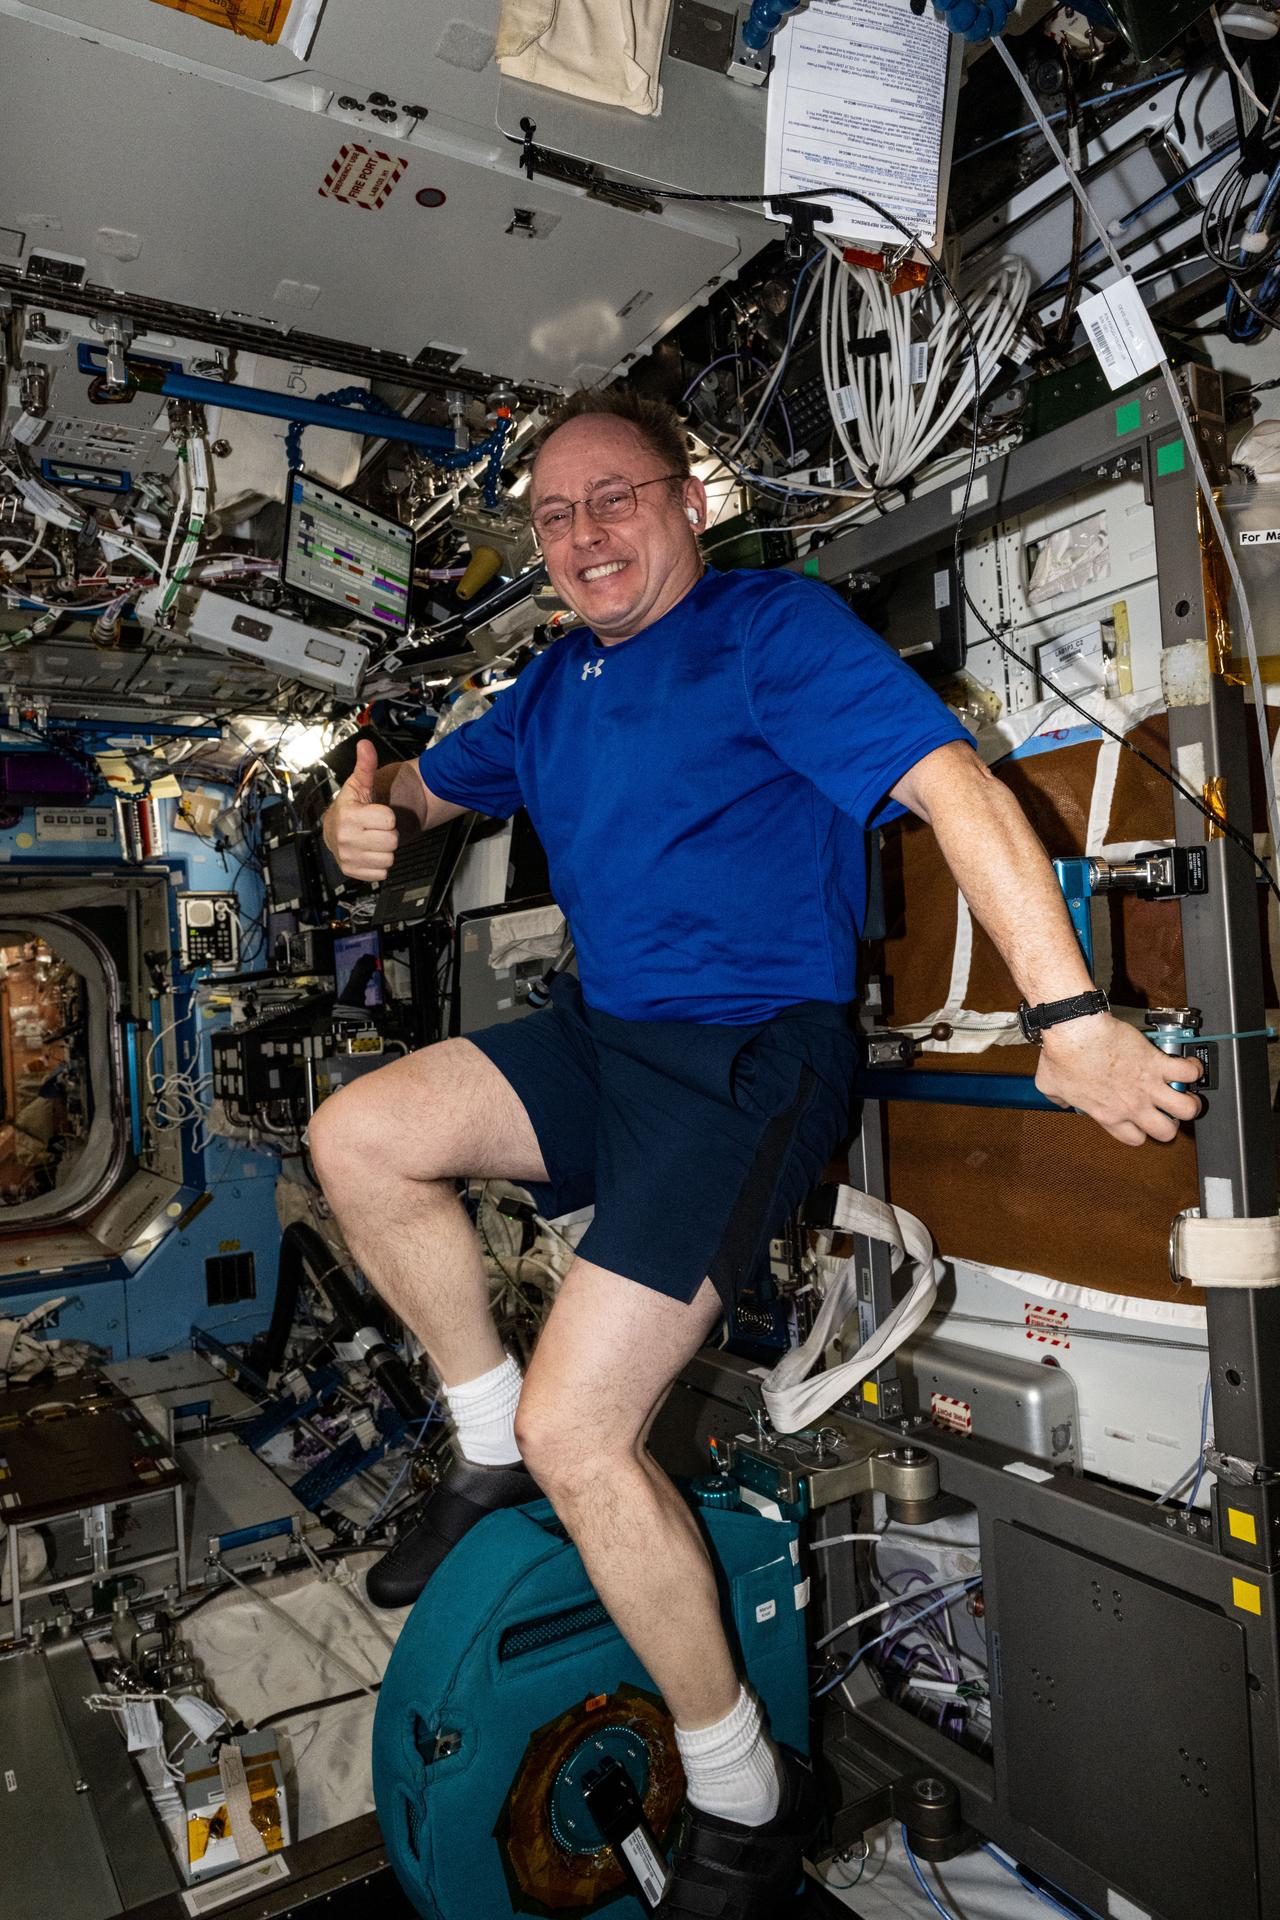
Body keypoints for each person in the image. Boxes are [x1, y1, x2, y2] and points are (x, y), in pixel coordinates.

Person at [310, 389, 1201, 1916]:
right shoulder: (550, 687)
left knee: (590, 1441)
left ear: (691, 502)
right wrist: (359, 806)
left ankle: (746, 1790)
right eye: (556, 515)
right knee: (359, 1134)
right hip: (607, 1036)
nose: (585, 535)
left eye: (617, 499)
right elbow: (409, 787)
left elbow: (953, 787)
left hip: (746, 1060)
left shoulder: (767, 630)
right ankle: (476, 1445)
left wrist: (1069, 1010)